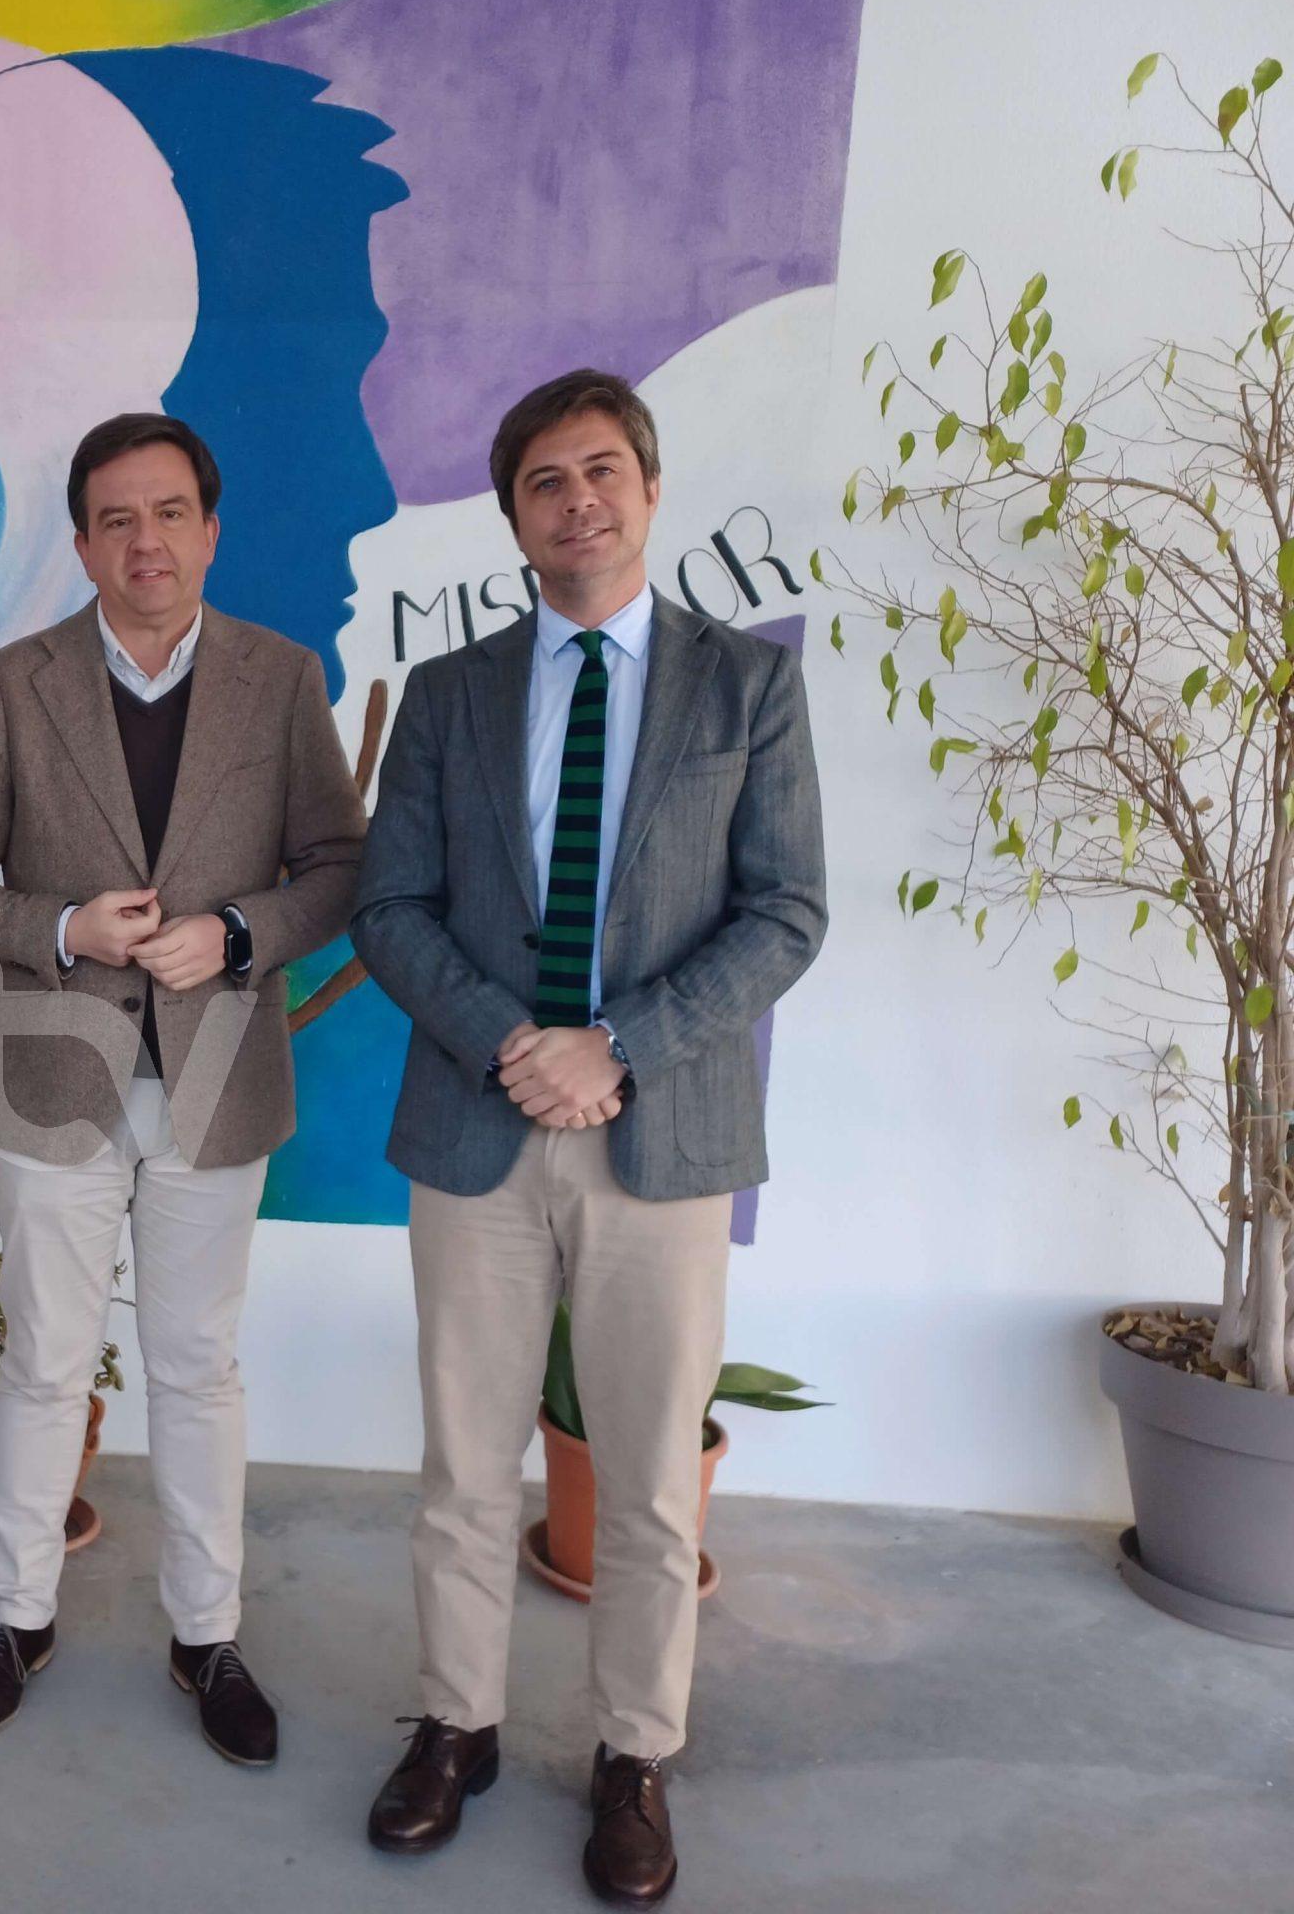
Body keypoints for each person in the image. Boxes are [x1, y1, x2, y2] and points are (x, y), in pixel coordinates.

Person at [350, 369, 828, 1907]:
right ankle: (456, 1725)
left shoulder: (744, 689)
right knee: (462, 1465)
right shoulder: (450, 694)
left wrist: (616, 1045)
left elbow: (787, 912)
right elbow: (389, 908)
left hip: (663, 1136)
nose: (580, 501)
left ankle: (634, 1754)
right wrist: (518, 1042)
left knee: (650, 1483)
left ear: (650, 488)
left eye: (604, 470)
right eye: (546, 481)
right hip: (478, 1123)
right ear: (513, 519)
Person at [0, 413, 365, 1765]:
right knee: (44, 1361)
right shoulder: (16, 682)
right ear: (84, 541)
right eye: (116, 518)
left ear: (210, 531)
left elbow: (339, 867)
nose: (144, 540)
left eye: (169, 513)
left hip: (218, 1071)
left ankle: (207, 1634)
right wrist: (62, 928)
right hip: (57, 1069)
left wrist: (238, 934)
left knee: (197, 1368)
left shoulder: (281, 679)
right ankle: (19, 1617)